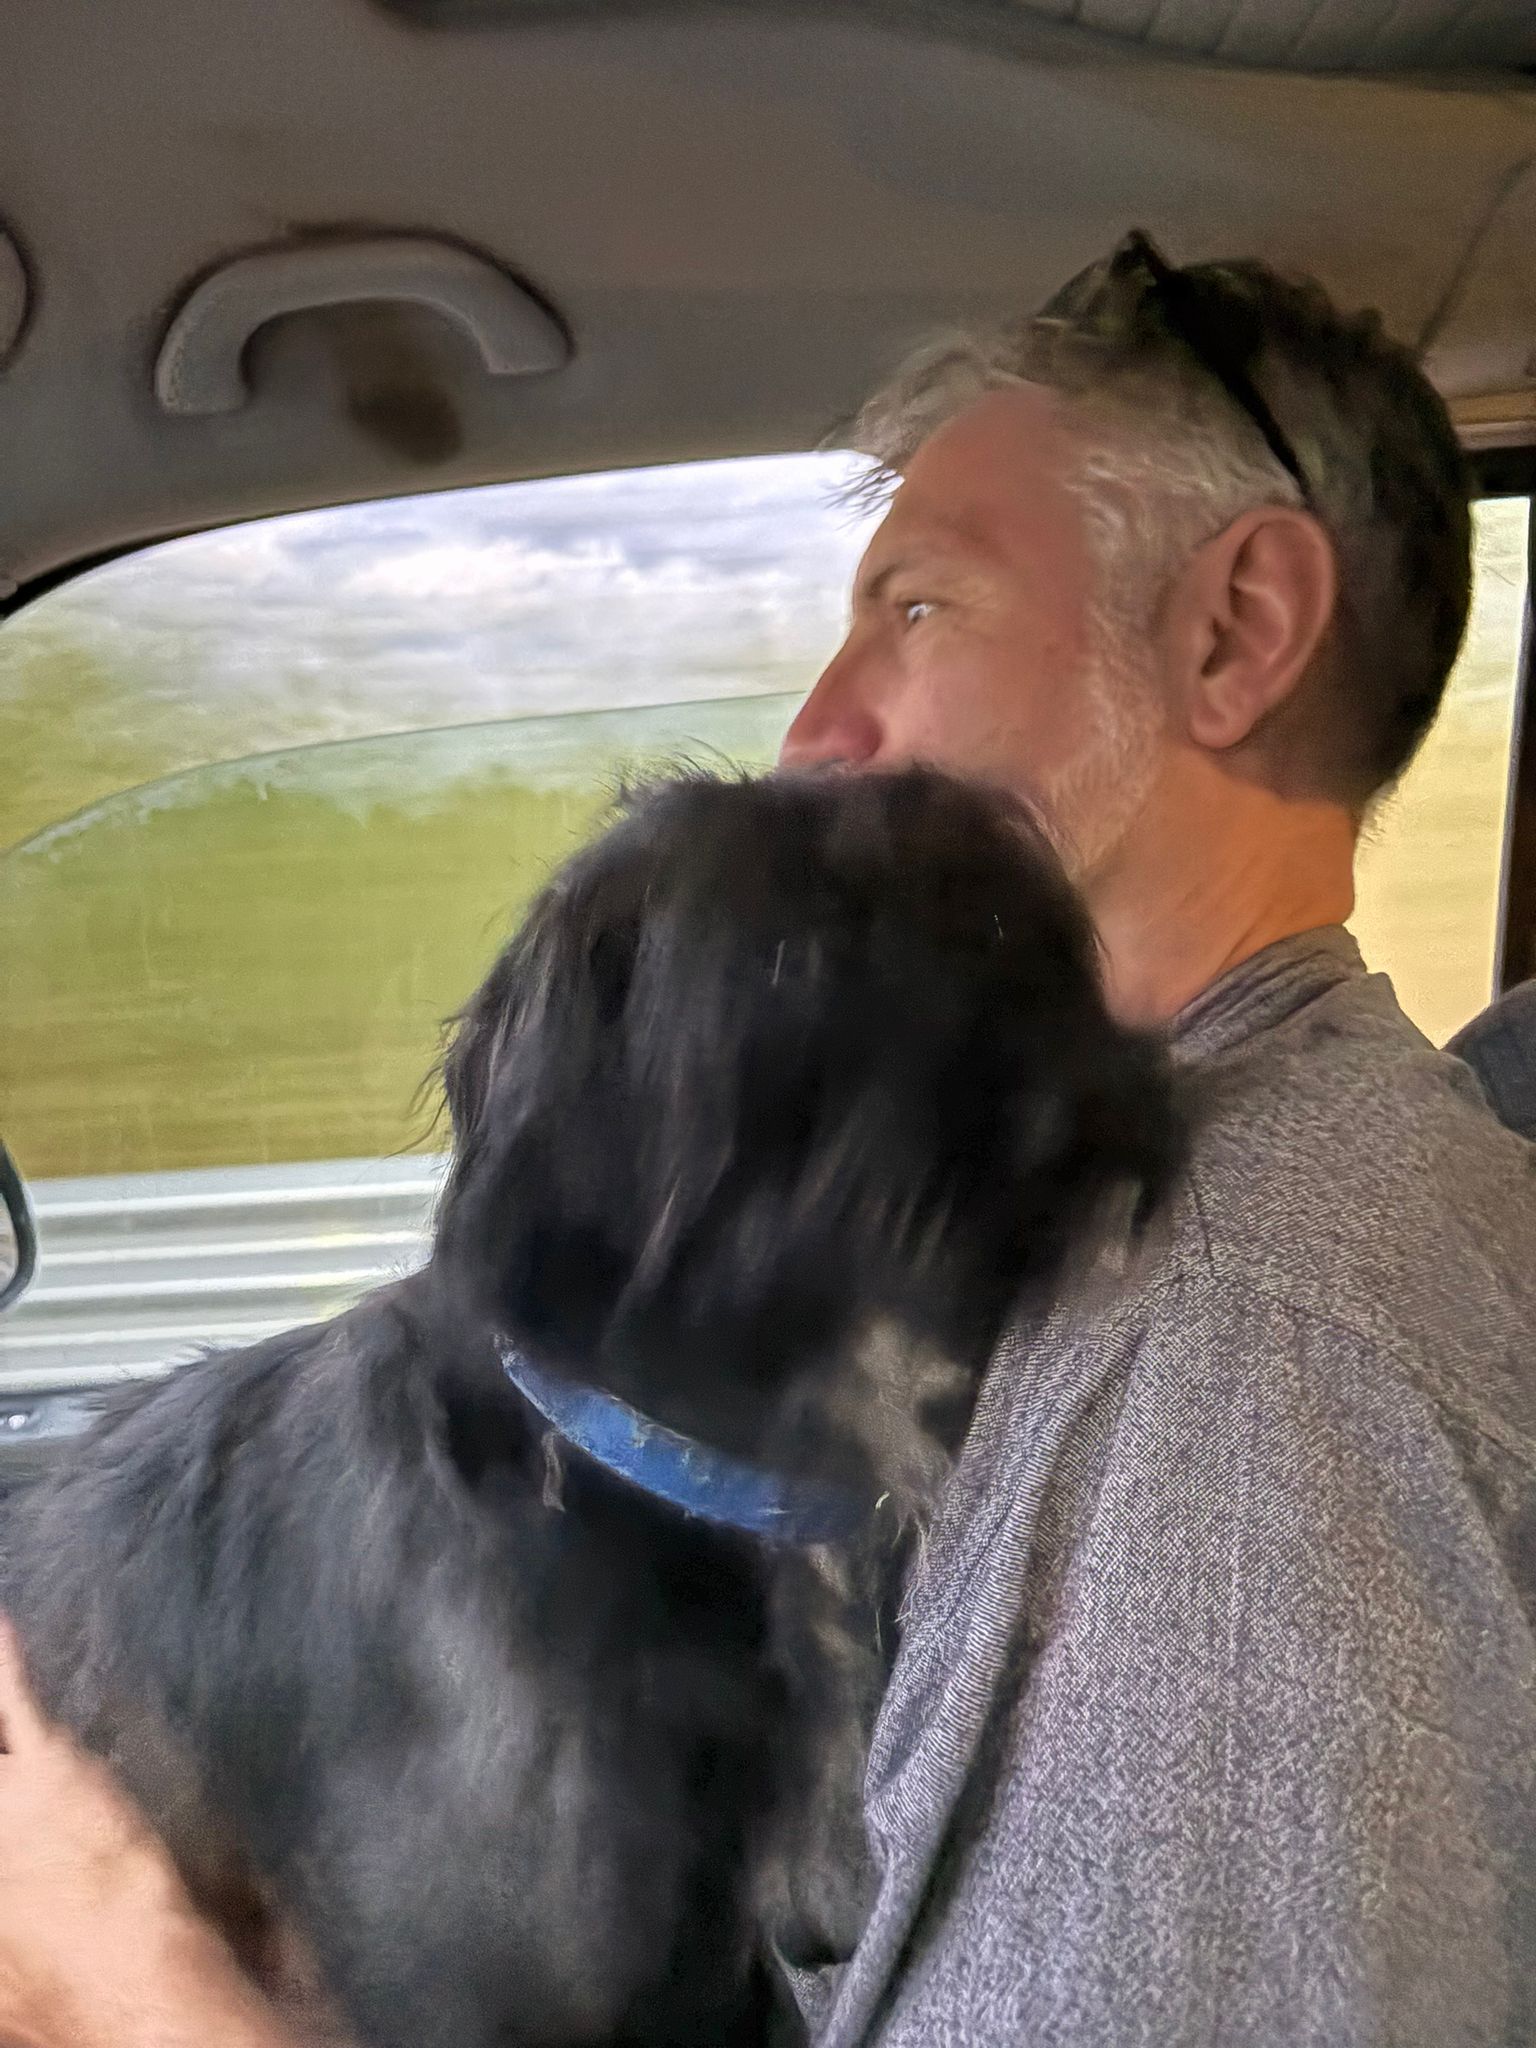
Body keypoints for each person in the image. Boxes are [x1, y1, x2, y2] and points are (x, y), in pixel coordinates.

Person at [2, 230, 1533, 2047]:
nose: (818, 730)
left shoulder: (1245, 1360)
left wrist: (119, 1968)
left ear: (1237, 630)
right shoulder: (1074, 1222)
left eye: (920, 609)